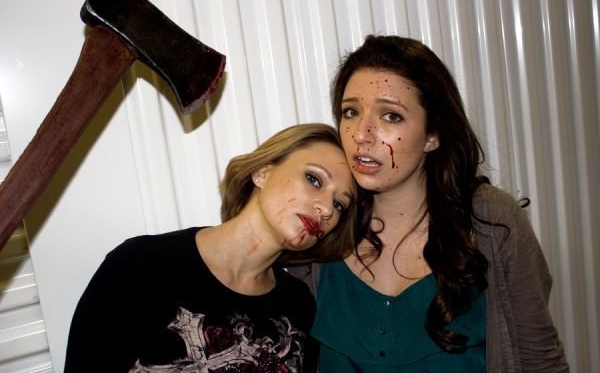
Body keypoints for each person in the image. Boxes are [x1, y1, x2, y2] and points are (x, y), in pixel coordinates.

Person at [295, 35, 569, 372]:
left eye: (390, 116)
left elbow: (540, 360)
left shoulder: (491, 220)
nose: (361, 134)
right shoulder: (323, 217)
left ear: (433, 135)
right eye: (350, 112)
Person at [64, 123, 357, 372]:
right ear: (263, 172)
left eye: (339, 204)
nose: (326, 209)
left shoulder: (300, 305)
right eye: (313, 179)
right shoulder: (140, 266)